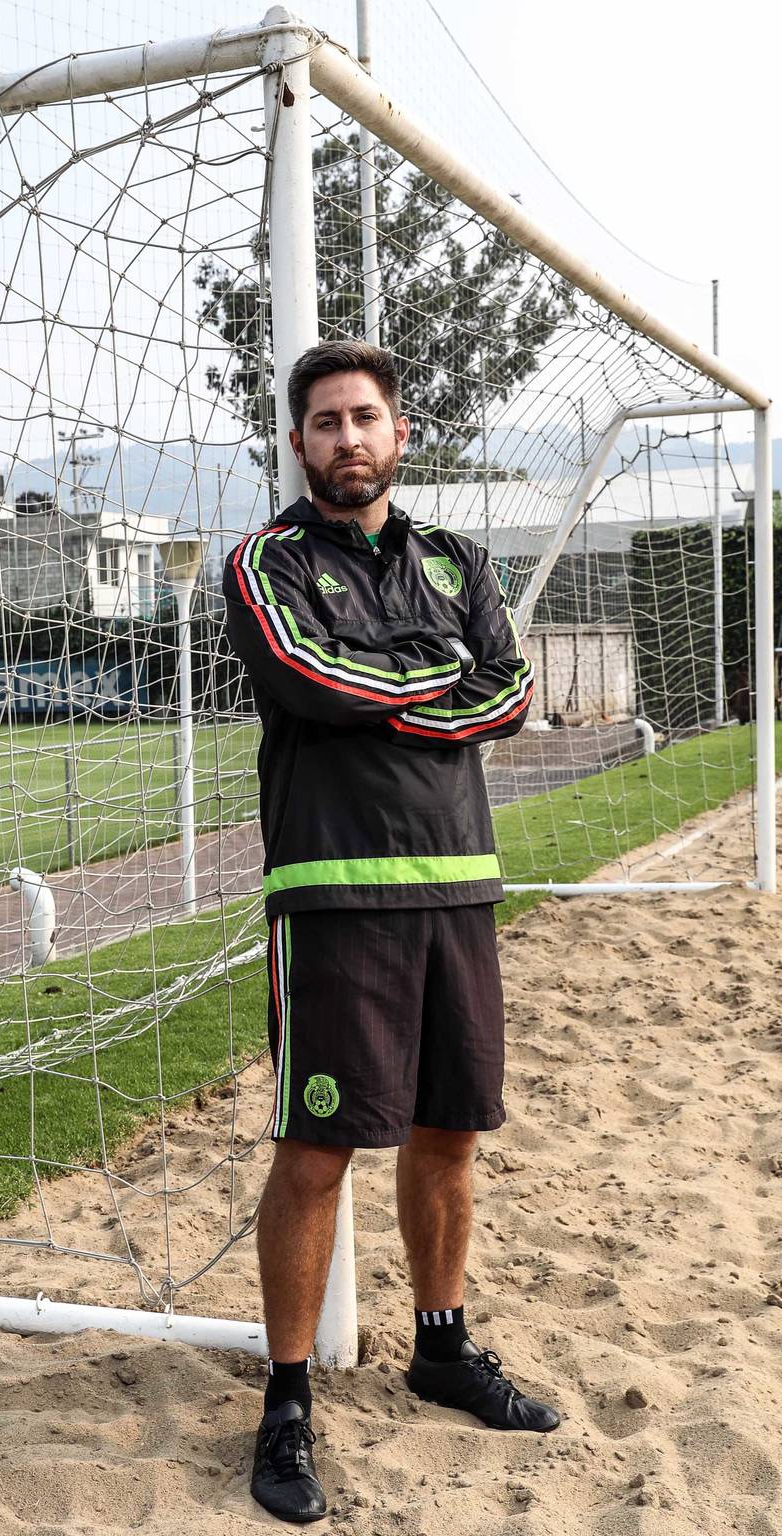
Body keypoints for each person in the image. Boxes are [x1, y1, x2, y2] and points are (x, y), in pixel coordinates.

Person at [221, 340, 559, 1524]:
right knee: (318, 1153)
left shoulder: (458, 559)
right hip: (334, 892)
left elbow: (509, 691)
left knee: (449, 1133)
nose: (347, 438)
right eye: (325, 422)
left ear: (399, 433)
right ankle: (286, 1402)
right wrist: (434, 676)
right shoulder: (264, 562)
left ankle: (441, 1348)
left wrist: (397, 684)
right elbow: (310, 677)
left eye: (365, 417)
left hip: (458, 883)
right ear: (298, 443)